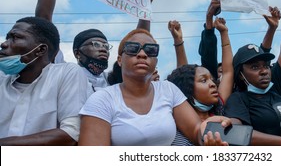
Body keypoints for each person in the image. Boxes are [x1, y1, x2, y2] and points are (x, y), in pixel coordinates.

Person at [78, 28, 231, 145]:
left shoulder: (168, 90)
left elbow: (196, 131)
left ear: (156, 61)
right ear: (119, 60)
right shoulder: (101, 100)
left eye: (150, 50)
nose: (142, 54)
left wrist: (209, 133)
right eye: (133, 48)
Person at [224, 0, 281, 146]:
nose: (264, 71)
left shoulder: (277, 88)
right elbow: (234, 132)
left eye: (266, 66)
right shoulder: (239, 99)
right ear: (241, 75)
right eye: (254, 67)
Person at [0, 16, 90, 145]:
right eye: (7, 38)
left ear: (40, 50)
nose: (4, 44)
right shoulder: (2, 80)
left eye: (15, 37)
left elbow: (71, 133)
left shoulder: (66, 73)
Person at [167, 17, 234, 145]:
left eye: (212, 80)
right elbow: (182, 72)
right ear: (187, 87)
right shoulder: (174, 118)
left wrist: (224, 33)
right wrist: (178, 41)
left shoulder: (219, 109)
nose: (212, 84)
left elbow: (228, 72)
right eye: (203, 80)